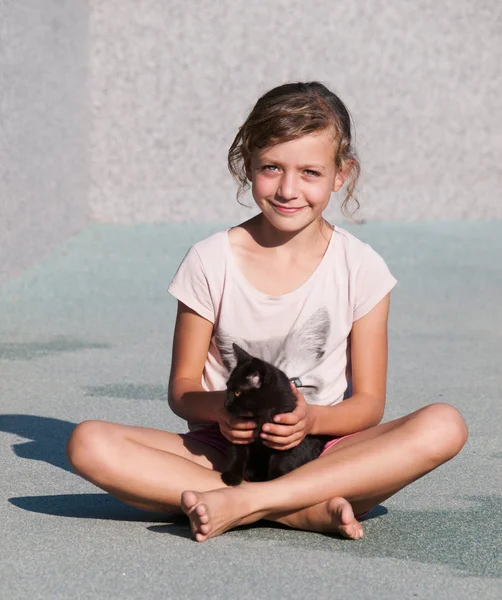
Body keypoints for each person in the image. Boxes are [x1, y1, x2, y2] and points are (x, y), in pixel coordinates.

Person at [66, 82, 468, 542]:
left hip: (322, 451)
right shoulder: (209, 260)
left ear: (341, 174)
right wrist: (223, 410)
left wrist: (312, 420)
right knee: (88, 442)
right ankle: (297, 510)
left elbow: (368, 405)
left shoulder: (362, 268)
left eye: (310, 172)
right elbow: (182, 391)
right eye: (271, 168)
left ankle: (244, 502)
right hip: (224, 453)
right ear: (247, 164)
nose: (288, 189)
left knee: (444, 424)